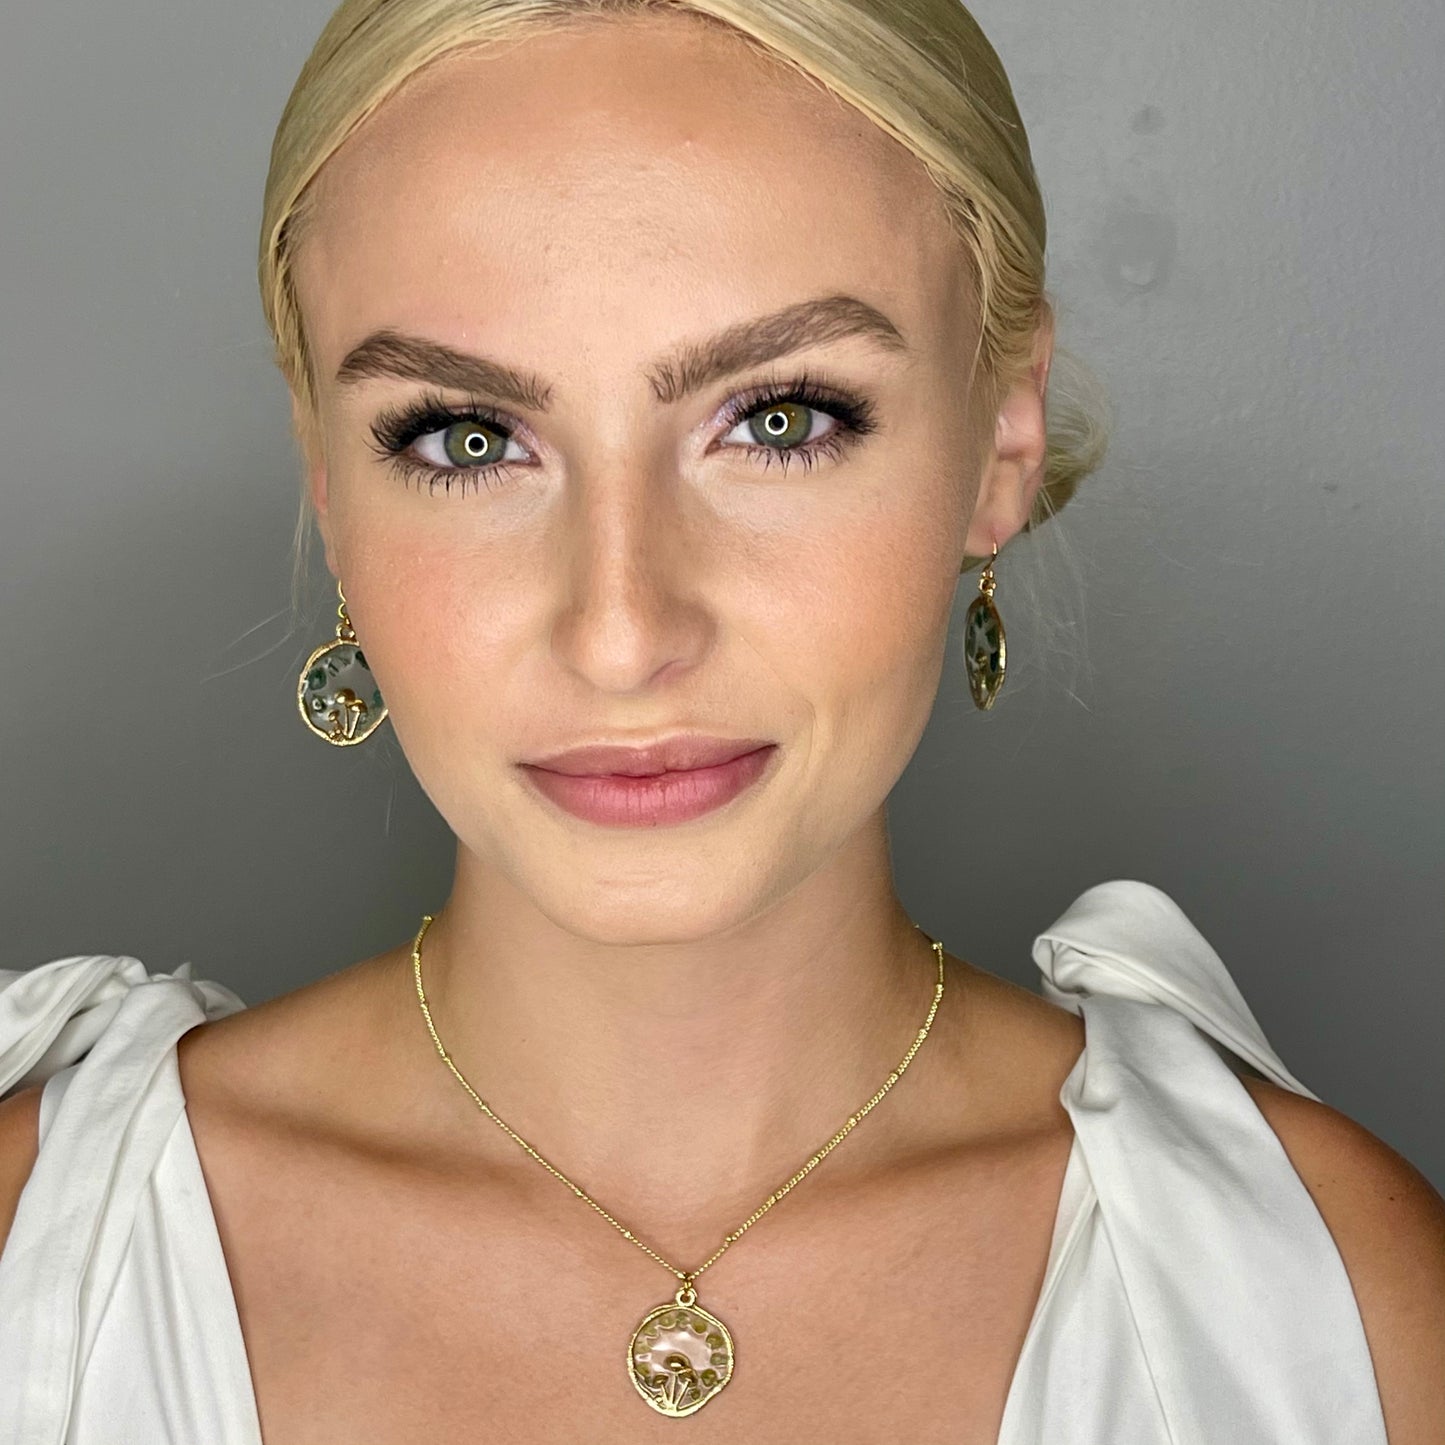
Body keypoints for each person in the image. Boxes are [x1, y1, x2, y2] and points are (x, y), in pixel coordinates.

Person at [2, 1, 1442, 1440]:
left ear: (1001, 437)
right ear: (326, 478)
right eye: (467, 436)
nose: (623, 632)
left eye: (778, 420)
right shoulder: (31, 1261)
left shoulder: (1323, 1301)